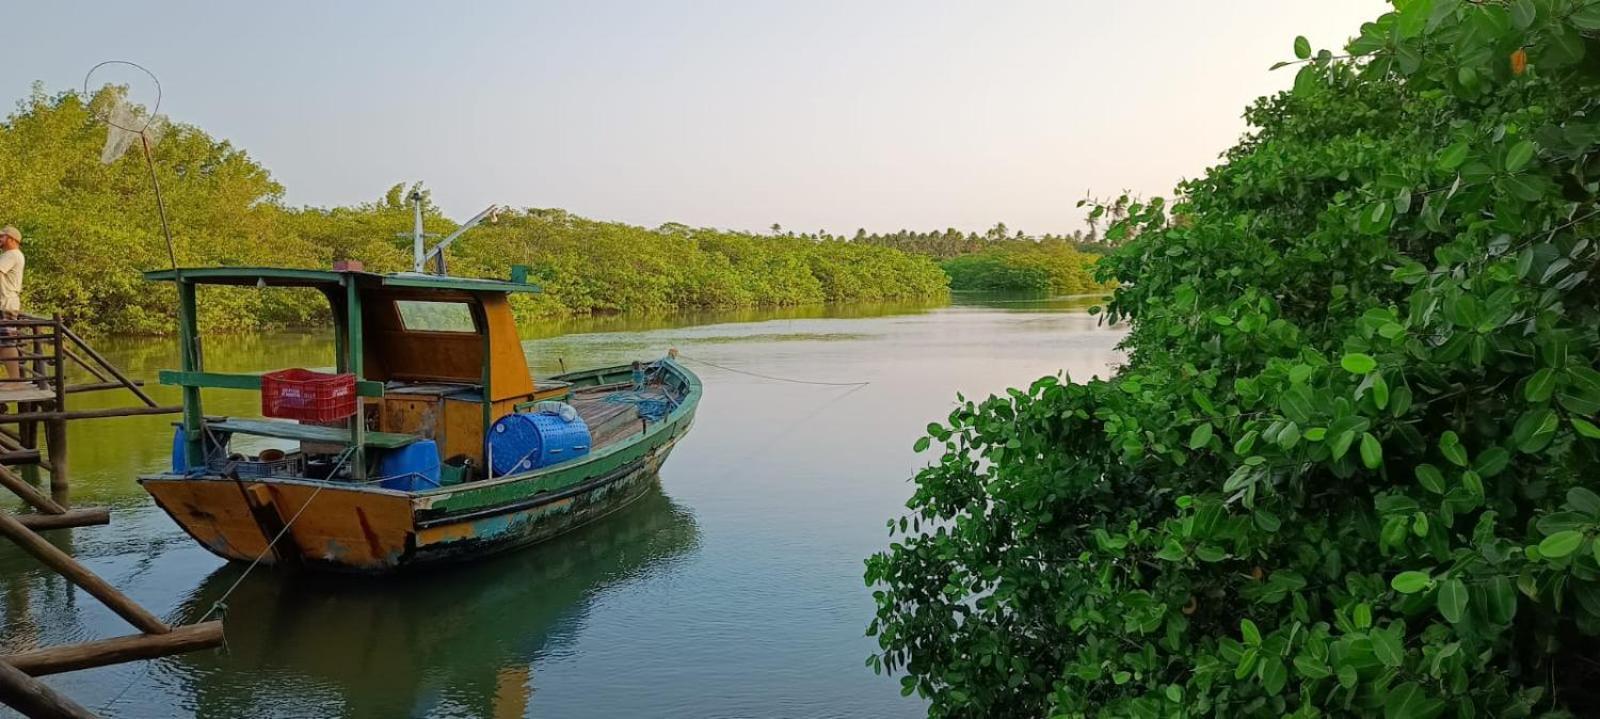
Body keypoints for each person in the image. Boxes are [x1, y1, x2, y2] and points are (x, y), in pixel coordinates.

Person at [0, 226, 26, 382]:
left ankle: (15, 382)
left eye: (2, 237)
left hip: (5, 304)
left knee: (7, 342)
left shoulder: (11, 255)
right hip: (6, 303)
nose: (0, 240)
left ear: (11, 239)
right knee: (4, 342)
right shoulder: (10, 255)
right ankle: (14, 381)